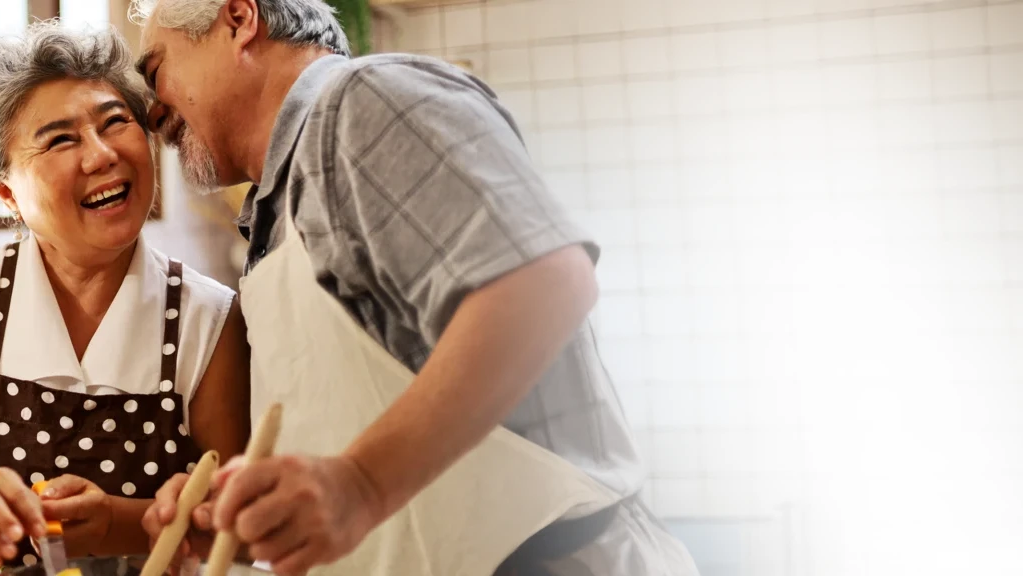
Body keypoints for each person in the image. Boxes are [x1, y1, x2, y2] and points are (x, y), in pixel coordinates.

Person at [129, 1, 700, 575]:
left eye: (156, 72)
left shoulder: (359, 103)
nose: (154, 113)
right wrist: (251, 519)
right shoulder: (276, 211)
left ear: (239, 19)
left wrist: (360, 485)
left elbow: (546, 282)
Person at [0, 21, 251, 576]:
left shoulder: (209, 319)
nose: (101, 156)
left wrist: (114, 524)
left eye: (115, 122)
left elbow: (234, 528)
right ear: (7, 192)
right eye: (60, 139)